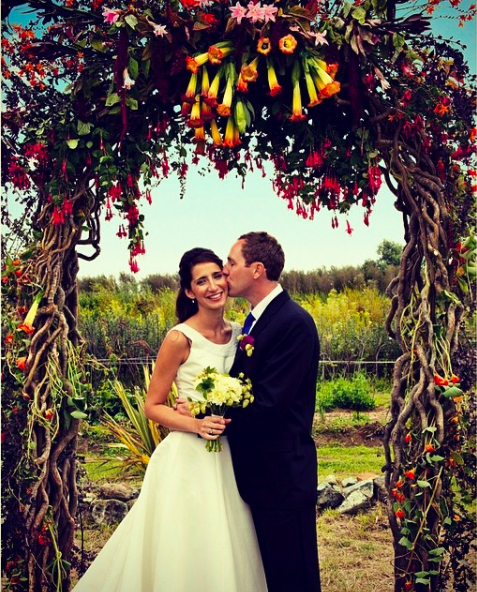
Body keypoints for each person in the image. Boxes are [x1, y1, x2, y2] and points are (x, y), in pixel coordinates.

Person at [72, 247, 267, 592]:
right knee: (185, 543)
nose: (212, 286)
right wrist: (196, 423)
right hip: (187, 458)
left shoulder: (241, 335)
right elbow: (153, 405)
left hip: (232, 457)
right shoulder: (179, 338)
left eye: (217, 276)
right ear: (190, 291)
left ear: (226, 278)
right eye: (201, 281)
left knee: (224, 539)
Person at [223, 231, 322, 592]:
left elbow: (269, 406)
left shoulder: (292, 323)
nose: (225, 270)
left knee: (293, 579)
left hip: (281, 478)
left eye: (231, 262)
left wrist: (209, 414)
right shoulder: (254, 321)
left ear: (257, 270)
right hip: (258, 476)